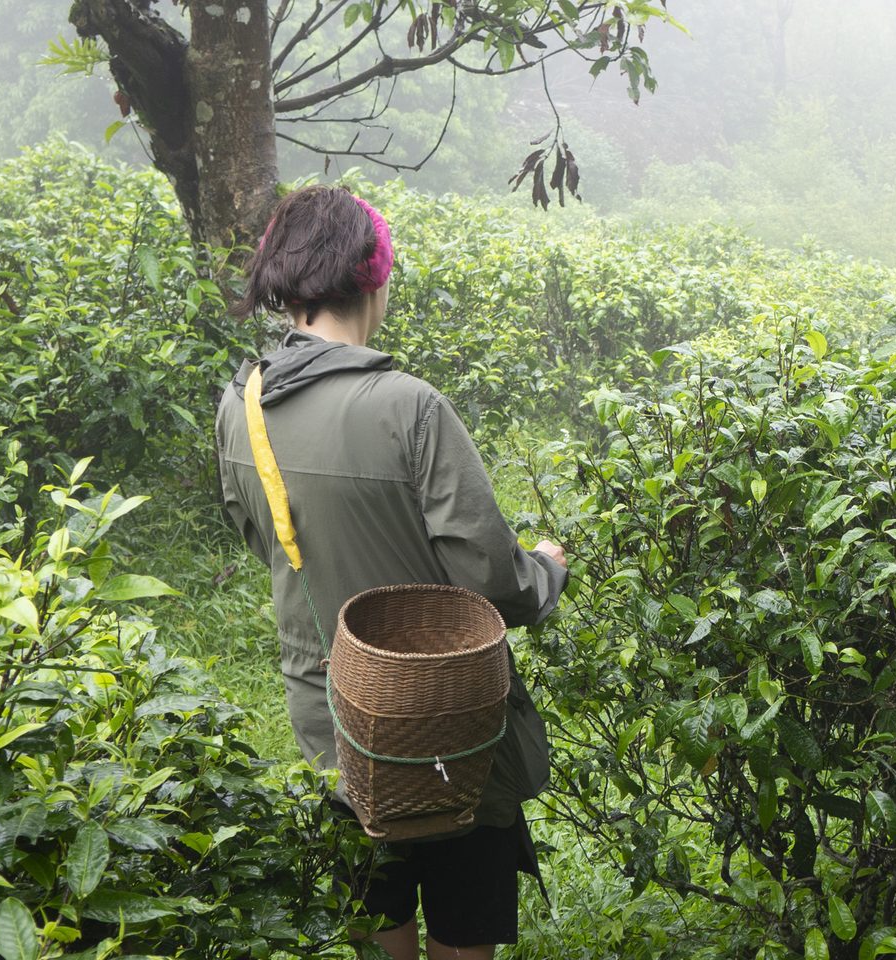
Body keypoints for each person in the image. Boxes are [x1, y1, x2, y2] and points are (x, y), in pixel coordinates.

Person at [214, 185, 569, 960]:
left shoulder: (239, 404)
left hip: (334, 716)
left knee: (375, 911)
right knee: (463, 918)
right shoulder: (410, 407)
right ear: (373, 277)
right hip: (451, 729)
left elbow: (262, 537)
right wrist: (545, 572)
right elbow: (491, 580)